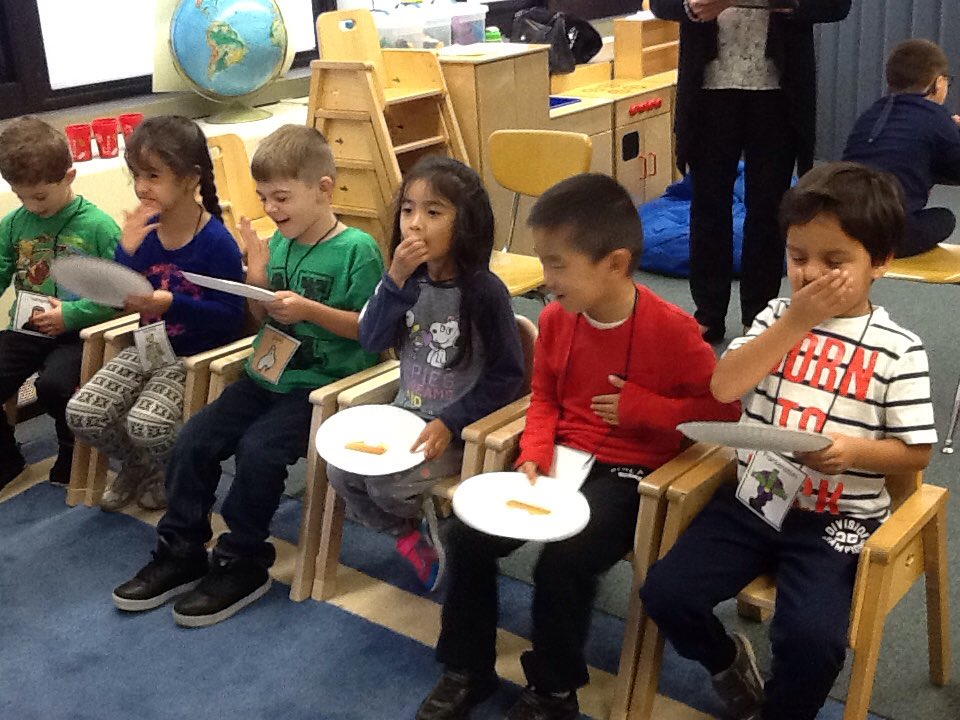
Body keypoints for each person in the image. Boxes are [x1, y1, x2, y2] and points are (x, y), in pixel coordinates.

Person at [416, 174, 740, 720]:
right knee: (466, 535)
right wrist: (536, 449)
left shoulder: (676, 333)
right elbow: (544, 397)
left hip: (633, 473)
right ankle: (467, 667)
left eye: (557, 265)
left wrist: (647, 410)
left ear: (614, 263)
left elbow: (724, 412)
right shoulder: (557, 319)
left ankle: (554, 690)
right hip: (562, 461)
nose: (546, 280)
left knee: (564, 563)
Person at [640, 162, 936, 720]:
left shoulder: (901, 349)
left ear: (881, 262)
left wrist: (851, 453)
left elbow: (915, 451)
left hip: (837, 519)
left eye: (835, 262)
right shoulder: (777, 316)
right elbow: (725, 385)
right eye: (798, 258)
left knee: (812, 641)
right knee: (666, 592)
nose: (811, 276)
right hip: (754, 499)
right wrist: (794, 322)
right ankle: (727, 662)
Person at [111, 124, 384, 627]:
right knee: (193, 438)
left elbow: (371, 334)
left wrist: (306, 309)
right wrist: (256, 285)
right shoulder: (276, 246)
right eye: (264, 198)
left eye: (282, 197)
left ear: (324, 189)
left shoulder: (357, 250)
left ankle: (243, 559)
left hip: (321, 388)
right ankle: (182, 547)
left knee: (259, 451)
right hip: (265, 374)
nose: (272, 209)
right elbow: (262, 320)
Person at [326, 157, 525, 591]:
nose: (415, 224)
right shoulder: (405, 281)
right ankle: (408, 534)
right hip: (402, 416)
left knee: (387, 487)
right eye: (408, 210)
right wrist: (394, 279)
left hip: (455, 430)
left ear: (465, 223)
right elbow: (372, 339)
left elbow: (509, 377)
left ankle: (439, 531)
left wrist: (451, 421)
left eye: (433, 212)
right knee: (339, 473)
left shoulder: (484, 292)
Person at [65, 116, 245, 512]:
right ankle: (138, 467)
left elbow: (232, 317)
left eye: (153, 175)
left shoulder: (215, 242)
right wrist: (123, 253)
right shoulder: (143, 229)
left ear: (189, 178)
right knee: (83, 412)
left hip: (192, 358)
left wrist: (173, 304)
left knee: (148, 424)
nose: (142, 187)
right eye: (136, 175)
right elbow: (118, 297)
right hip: (148, 347)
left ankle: (171, 473)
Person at [650, 0, 852, 343]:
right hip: (709, 90)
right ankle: (708, 314)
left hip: (778, 92)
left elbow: (836, 6)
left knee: (769, 209)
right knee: (707, 206)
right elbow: (661, 5)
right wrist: (690, 6)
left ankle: (759, 314)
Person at [0, 117, 120, 490]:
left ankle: (70, 448)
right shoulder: (12, 224)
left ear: (69, 176)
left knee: (55, 384)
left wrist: (71, 314)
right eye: (21, 197)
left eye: (39, 197)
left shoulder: (99, 227)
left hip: (79, 332)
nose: (31, 207)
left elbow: (121, 295)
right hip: (28, 327)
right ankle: (7, 460)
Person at [843, 38, 960, 257]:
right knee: (945, 218)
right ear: (938, 82)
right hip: (889, 233)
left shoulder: (871, 114)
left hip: (844, 224)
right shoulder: (935, 115)